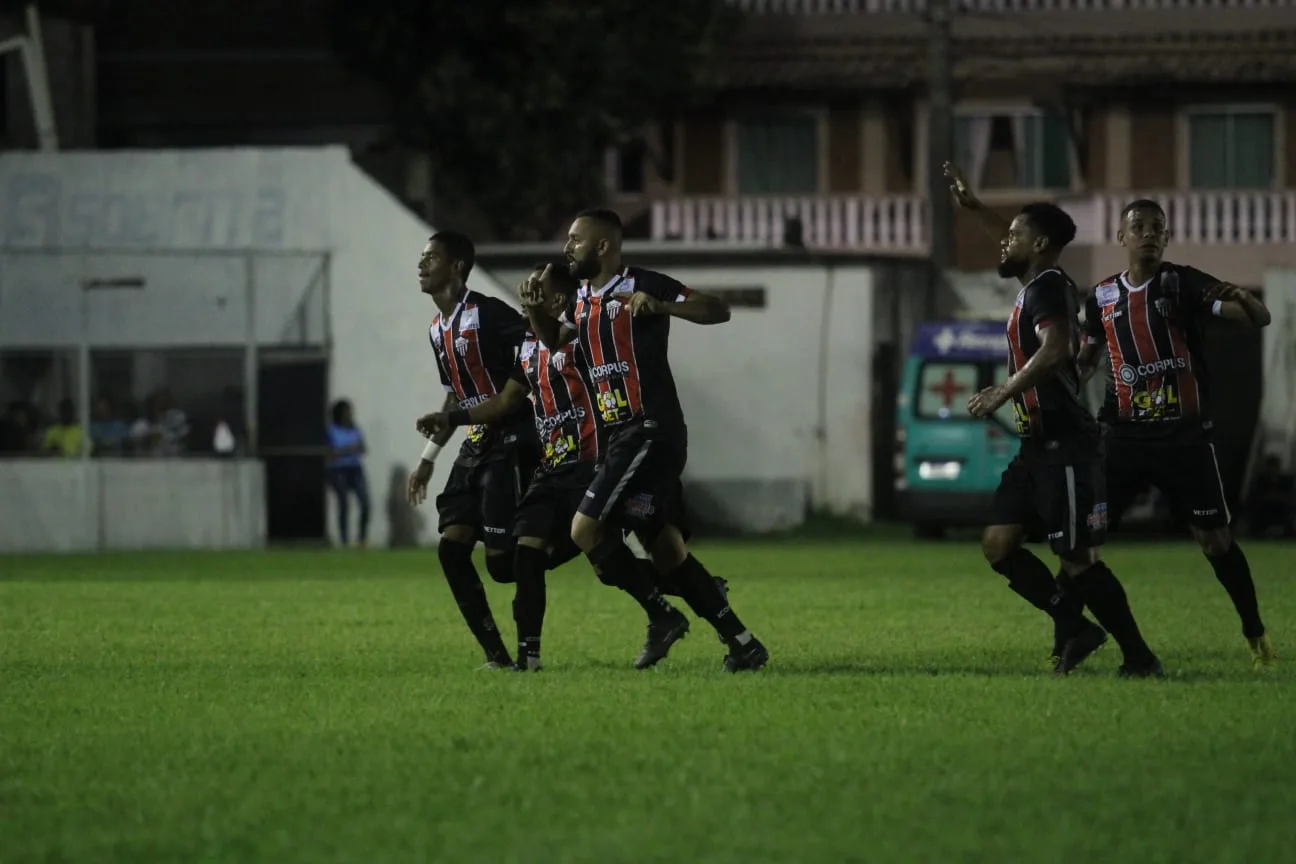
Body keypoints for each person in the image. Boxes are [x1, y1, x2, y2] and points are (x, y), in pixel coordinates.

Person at [419, 260, 729, 671]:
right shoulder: (530, 346)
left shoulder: (579, 338)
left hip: (594, 465)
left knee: (611, 557)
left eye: (539, 286)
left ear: (559, 299)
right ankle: (528, 660)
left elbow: (564, 342)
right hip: (553, 470)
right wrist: (452, 419)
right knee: (531, 558)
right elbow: (504, 401)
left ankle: (694, 603)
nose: (529, 287)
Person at [521, 208, 769, 672]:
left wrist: (663, 307)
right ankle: (743, 643)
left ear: (602, 247)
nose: (567, 247)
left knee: (584, 530)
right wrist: (535, 308)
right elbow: (556, 342)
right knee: (666, 550)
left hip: (649, 430)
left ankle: (661, 615)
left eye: (575, 239)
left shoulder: (644, 284)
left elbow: (718, 309)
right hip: (622, 440)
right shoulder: (580, 302)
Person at [944, 162, 1162, 678]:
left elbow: (1057, 347)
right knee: (999, 544)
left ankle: (1139, 656)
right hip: (1035, 446)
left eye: (1016, 235)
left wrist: (1003, 390)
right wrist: (977, 209)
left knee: (1077, 560)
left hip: (1066, 445)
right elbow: (1016, 240)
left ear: (1039, 244)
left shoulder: (1047, 287)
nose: (1005, 242)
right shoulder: (1037, 278)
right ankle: (1076, 627)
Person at [1077, 199, 1276, 669]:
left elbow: (1257, 318)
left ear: (1167, 237)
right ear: (1121, 237)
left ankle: (1254, 630)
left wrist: (1247, 299)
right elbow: (1087, 355)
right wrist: (1072, 375)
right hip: (1122, 436)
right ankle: (1076, 638)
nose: (1148, 234)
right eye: (1138, 227)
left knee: (1215, 542)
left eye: (1157, 228)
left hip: (1182, 437)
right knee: (1081, 542)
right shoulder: (1101, 297)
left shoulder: (1182, 282)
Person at [406, 230, 538, 669]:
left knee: (502, 567)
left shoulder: (488, 314)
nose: (422, 265)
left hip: (510, 442)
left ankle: (582, 546)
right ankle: (499, 657)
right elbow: (455, 397)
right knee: (451, 546)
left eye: (431, 257)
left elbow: (536, 350)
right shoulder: (437, 329)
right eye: (422, 258)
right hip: (474, 445)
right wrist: (428, 458)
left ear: (457, 267)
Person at [325, 398, 371, 548]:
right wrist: (347, 450)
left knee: (365, 502)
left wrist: (356, 448)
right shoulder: (331, 431)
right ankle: (344, 540)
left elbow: (363, 448)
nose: (350, 414)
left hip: (355, 469)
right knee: (343, 503)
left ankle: (362, 539)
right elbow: (330, 454)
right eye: (347, 411)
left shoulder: (355, 429)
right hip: (338, 470)